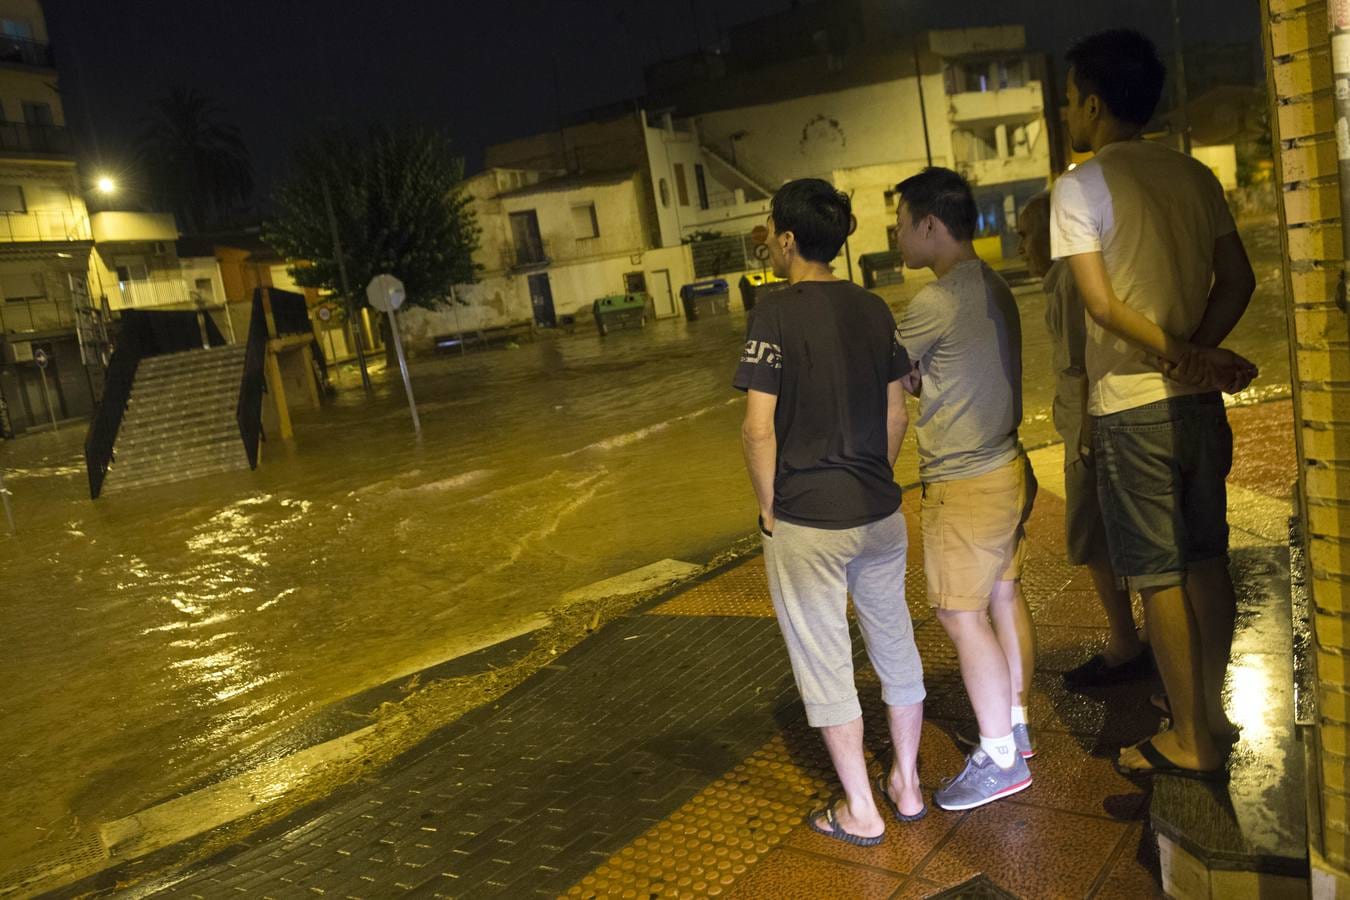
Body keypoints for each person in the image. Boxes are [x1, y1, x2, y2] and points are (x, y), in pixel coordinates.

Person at [1051, 29, 1258, 779]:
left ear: (1096, 104)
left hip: (1131, 408)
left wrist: (1181, 355)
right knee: (1207, 560)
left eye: (1072, 98)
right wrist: (1199, 353)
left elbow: (1100, 306)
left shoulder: (1078, 187)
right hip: (1197, 406)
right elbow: (1238, 281)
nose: (1068, 110)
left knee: (1158, 574)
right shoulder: (1194, 175)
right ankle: (1211, 714)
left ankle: (1191, 742)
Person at [735, 178, 926, 845]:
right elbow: (896, 409)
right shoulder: (874, 309)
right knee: (895, 643)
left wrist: (768, 508)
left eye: (772, 231)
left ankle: (861, 810)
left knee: (825, 661)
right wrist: (878, 473)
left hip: (807, 517)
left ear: (787, 240)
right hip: (878, 510)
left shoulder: (773, 313)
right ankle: (906, 784)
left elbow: (758, 428)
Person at [893, 167, 1037, 811]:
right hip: (1007, 466)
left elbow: (891, 379)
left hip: (965, 479)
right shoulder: (993, 286)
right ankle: (1015, 723)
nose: (896, 234)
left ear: (929, 224)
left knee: (959, 614)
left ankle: (999, 758)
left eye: (901, 222)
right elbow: (950, 371)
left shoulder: (934, 300)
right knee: (1002, 596)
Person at [1015, 194, 1147, 688]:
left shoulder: (1070, 283)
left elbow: (1083, 363)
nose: (1021, 245)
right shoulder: (1068, 279)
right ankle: (1137, 637)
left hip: (1088, 430)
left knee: (1093, 539)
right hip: (1088, 425)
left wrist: (1086, 435)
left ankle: (1125, 642)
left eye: (1027, 234)